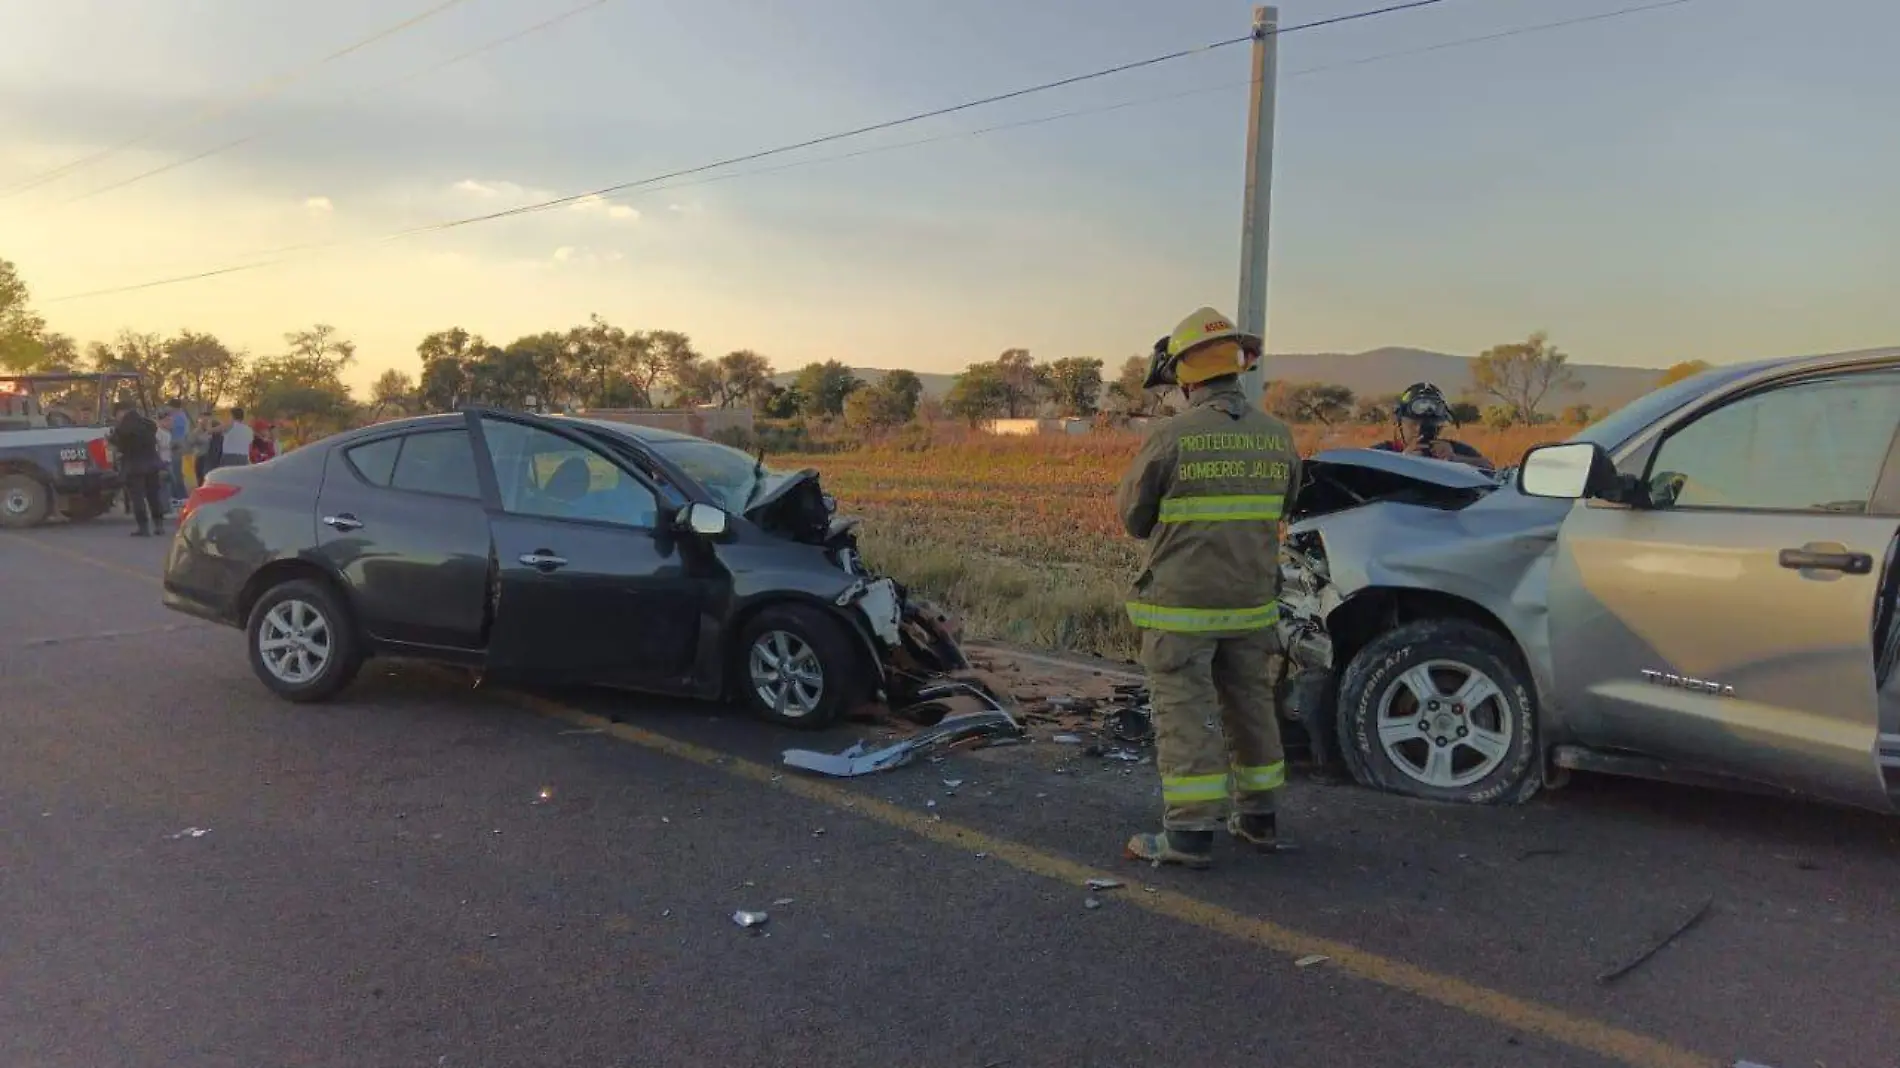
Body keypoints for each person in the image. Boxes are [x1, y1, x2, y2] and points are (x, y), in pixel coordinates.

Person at [1115, 307, 1302, 869]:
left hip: (1182, 610)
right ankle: (1260, 818)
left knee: (1185, 711)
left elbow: (1133, 518)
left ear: (1186, 376)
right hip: (1251, 604)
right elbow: (1288, 505)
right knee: (1251, 705)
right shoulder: (1277, 436)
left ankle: (1191, 835)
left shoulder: (1173, 436)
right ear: (1236, 367)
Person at [1372, 382, 1493, 471]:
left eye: (1429, 425)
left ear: (1440, 426)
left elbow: (1490, 471)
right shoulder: (1381, 453)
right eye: (1413, 424)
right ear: (1399, 423)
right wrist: (1403, 461)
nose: (1419, 430)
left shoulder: (1455, 450)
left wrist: (1455, 460)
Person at [109, 401, 166, 536]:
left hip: (134, 467)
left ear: (121, 412)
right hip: (152, 464)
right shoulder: (148, 424)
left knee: (137, 498)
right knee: (154, 496)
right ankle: (159, 525)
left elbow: (119, 446)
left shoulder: (122, 429)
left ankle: (143, 527)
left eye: (116, 414)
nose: (116, 418)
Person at [163, 399, 190, 503]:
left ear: (173, 407)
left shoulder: (177, 417)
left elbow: (169, 428)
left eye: (168, 406)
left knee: (176, 473)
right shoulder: (183, 417)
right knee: (176, 472)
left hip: (176, 446)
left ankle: (181, 497)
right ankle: (177, 496)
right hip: (179, 445)